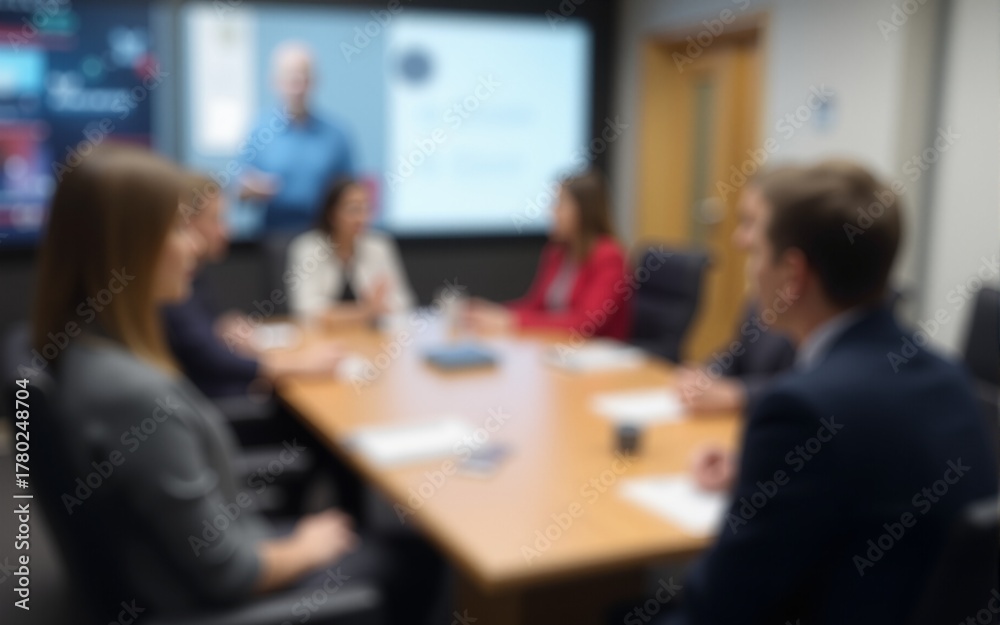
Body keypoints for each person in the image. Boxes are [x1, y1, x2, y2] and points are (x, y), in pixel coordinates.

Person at [33, 145, 442, 622]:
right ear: (127, 247)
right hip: (213, 599)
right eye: (179, 228)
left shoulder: (84, 355)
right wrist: (306, 546)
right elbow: (231, 574)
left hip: (194, 563)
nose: (194, 246)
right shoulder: (135, 395)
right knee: (420, 556)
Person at [669, 161, 998, 623]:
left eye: (756, 249)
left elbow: (719, 609)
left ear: (793, 275)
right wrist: (758, 473)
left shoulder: (801, 409)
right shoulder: (949, 376)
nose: (746, 255)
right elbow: (872, 481)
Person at [164, 172, 343, 400]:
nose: (227, 231)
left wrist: (218, 328)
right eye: (216, 219)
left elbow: (195, 342)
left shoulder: (195, 276)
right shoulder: (173, 284)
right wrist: (294, 364)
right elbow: (206, 357)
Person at [676, 171, 797, 414]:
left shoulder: (816, 303)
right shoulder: (762, 291)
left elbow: (811, 381)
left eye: (750, 223)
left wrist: (740, 394)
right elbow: (738, 354)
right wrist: (705, 375)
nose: (738, 239)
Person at [464, 169, 632, 339]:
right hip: (555, 345)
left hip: (597, 351)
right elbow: (536, 306)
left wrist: (512, 321)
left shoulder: (609, 256)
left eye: (560, 204)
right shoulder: (558, 253)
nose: (552, 212)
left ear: (583, 210)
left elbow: (585, 324)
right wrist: (496, 313)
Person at [239, 41, 354, 232]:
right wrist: (253, 188)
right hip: (273, 235)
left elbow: (350, 192)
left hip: (322, 236)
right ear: (275, 81)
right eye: (291, 78)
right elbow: (240, 187)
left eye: (304, 78)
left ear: (315, 81)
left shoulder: (336, 136)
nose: (298, 87)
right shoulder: (259, 131)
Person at [286, 176, 415, 327]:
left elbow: (403, 302)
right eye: (354, 209)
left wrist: (378, 308)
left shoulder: (379, 246)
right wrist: (365, 311)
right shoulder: (306, 248)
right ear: (332, 214)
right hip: (320, 336)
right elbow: (305, 309)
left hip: (370, 336)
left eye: (366, 208)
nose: (362, 218)